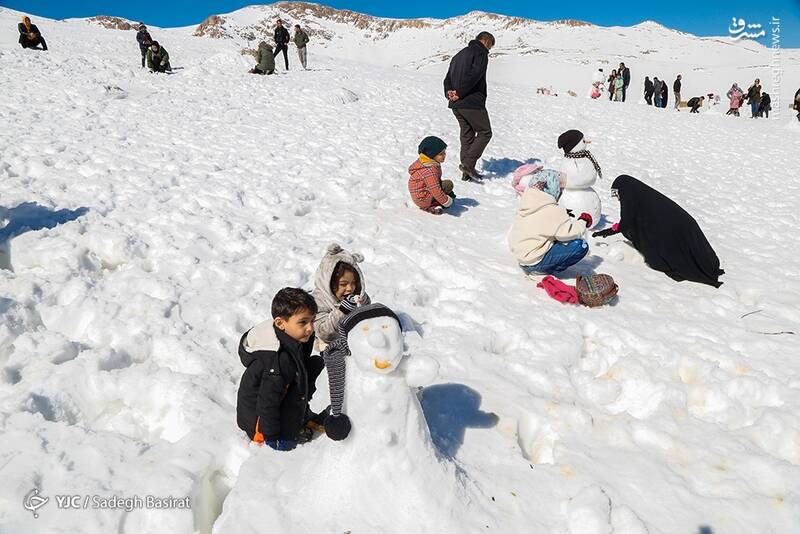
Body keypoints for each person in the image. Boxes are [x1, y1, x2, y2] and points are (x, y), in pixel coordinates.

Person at [593, 175, 723, 288]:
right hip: (680, 225)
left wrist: (610, 231)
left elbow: (627, 222)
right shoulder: (643, 198)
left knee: (672, 259)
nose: (619, 198)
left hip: (677, 228)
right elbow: (630, 222)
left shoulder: (637, 198)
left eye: (617, 193)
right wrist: (613, 229)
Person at [236, 288, 326, 451]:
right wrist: (271, 439)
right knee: (295, 375)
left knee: (315, 363)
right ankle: (287, 431)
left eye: (312, 321)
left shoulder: (293, 337)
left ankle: (300, 415)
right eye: (303, 322)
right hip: (259, 423)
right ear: (280, 323)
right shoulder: (278, 359)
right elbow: (267, 403)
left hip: (274, 406)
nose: (310, 328)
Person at [508, 172, 592, 275]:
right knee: (580, 245)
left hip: (522, 258)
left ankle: (539, 265)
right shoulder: (551, 209)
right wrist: (583, 221)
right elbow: (568, 234)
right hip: (534, 261)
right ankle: (544, 270)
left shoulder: (526, 203)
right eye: (560, 188)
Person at [443, 31, 495, 184]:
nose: (489, 50)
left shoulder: (458, 55)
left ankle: (466, 173)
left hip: (456, 104)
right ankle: (468, 164)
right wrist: (460, 93)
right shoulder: (481, 53)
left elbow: (447, 79)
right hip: (471, 102)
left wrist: (449, 93)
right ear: (485, 41)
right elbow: (475, 75)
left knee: (467, 135)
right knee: (485, 132)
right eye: (490, 46)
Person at [312, 243, 370, 345]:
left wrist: (362, 303)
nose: (350, 289)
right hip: (330, 350)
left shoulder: (354, 296)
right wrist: (342, 311)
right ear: (329, 283)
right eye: (343, 284)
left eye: (354, 283)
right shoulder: (318, 301)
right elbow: (323, 333)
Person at [408, 136, 455, 215]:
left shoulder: (425, 162)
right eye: (441, 154)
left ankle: (436, 201)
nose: (444, 156)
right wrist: (447, 202)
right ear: (431, 155)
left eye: (444, 152)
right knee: (448, 185)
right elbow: (435, 190)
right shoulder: (430, 171)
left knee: (447, 185)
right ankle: (433, 205)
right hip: (423, 199)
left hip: (420, 195)